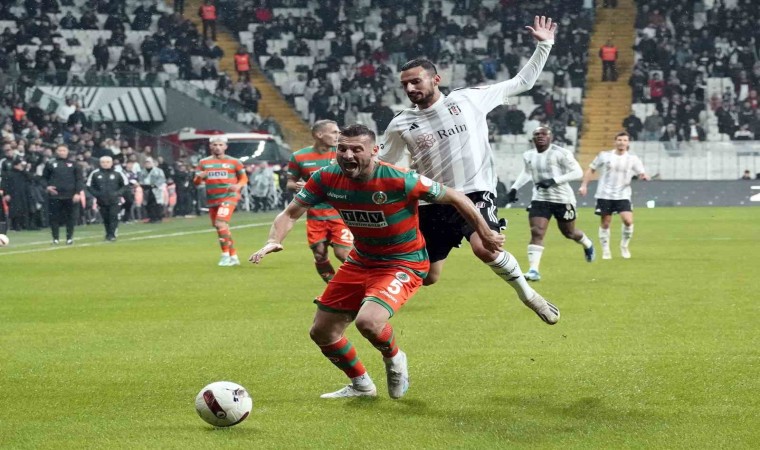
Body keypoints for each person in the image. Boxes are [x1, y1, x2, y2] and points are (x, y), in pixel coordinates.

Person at [249, 124, 509, 399]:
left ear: (374, 151)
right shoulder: (325, 177)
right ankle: (361, 385)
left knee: (369, 322)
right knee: (322, 332)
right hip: (361, 260)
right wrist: (273, 239)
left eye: (356, 149)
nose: (348, 155)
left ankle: (394, 358)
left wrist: (485, 232)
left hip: (403, 262)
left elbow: (456, 196)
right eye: (342, 149)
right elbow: (291, 213)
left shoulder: (399, 179)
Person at [378, 15, 560, 325]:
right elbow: (386, 163)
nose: (409, 88)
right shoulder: (401, 123)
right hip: (432, 200)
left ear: (436, 79)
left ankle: (529, 295)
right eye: (405, 84)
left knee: (484, 248)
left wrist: (544, 45)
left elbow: (522, 82)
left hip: (475, 192)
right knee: (428, 275)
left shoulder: (468, 99)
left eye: (416, 81)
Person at [507, 127, 594, 281]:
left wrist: (554, 180)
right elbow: (527, 172)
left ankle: (587, 244)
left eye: (544, 134)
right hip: (540, 198)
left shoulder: (561, 153)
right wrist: (515, 187)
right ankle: (533, 270)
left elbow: (578, 172)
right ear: (533, 138)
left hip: (563, 199)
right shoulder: (528, 155)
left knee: (569, 233)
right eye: (537, 134)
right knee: (537, 232)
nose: (540, 136)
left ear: (550, 137)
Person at [287, 120, 353, 283]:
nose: (338, 135)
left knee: (343, 254)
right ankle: (335, 288)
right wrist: (299, 186)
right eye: (334, 132)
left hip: (339, 214)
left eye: (339, 132)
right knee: (319, 255)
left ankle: (362, 283)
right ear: (319, 134)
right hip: (315, 215)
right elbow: (289, 183)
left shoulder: (342, 154)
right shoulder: (299, 157)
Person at [579, 131, 650, 259]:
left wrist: (643, 176)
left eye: (624, 140)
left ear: (628, 143)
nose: (622, 142)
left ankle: (624, 246)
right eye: (619, 140)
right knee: (605, 223)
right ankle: (606, 250)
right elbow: (591, 169)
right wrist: (584, 185)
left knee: (628, 221)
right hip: (604, 194)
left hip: (623, 195)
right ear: (615, 142)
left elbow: (641, 173)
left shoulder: (632, 159)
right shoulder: (604, 155)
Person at [193, 136, 248, 266]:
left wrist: (238, 186)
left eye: (220, 145)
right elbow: (196, 182)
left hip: (229, 196)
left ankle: (225, 256)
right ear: (210, 146)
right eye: (215, 145)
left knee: (220, 223)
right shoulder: (203, 163)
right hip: (213, 198)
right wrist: (199, 178)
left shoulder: (234, 162)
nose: (217, 147)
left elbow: (244, 178)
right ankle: (233, 256)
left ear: (225, 146)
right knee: (221, 227)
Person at [42, 145, 84, 245]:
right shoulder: (50, 163)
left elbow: (79, 180)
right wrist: (47, 187)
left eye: (64, 150)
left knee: (70, 218)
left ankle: (69, 238)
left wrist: (77, 193)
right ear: (56, 151)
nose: (62, 152)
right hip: (55, 195)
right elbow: (43, 178)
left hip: (70, 195)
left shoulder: (74, 164)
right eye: (60, 150)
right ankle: (55, 238)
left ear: (67, 151)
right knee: (54, 218)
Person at [87, 156, 128, 241]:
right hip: (101, 200)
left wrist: (118, 193)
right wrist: (97, 194)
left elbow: (125, 185)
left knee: (113, 216)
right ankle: (108, 233)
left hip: (115, 200)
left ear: (111, 163)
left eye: (107, 162)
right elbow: (89, 185)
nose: (105, 164)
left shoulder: (118, 172)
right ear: (100, 163)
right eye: (103, 162)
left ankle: (112, 234)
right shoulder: (95, 173)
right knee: (105, 217)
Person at [139, 157, 166, 223]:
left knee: (157, 204)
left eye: (149, 162)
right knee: (148, 204)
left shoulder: (158, 171)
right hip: (147, 190)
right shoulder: (142, 171)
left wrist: (155, 185)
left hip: (156, 190)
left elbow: (162, 179)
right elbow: (140, 180)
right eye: (146, 163)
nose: (147, 164)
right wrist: (143, 185)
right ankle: (152, 218)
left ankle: (158, 218)